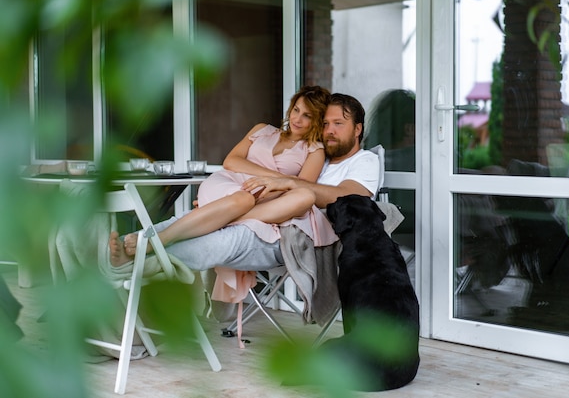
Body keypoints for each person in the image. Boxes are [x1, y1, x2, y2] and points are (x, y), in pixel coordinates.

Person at [109, 92, 380, 278]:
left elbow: (349, 196)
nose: (329, 130)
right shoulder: (313, 153)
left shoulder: (364, 161)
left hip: (289, 234)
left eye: (338, 124)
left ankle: (134, 262)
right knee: (200, 222)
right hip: (263, 215)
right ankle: (132, 246)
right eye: (326, 123)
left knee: (224, 236)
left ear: (357, 129)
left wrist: (284, 184)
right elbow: (237, 164)